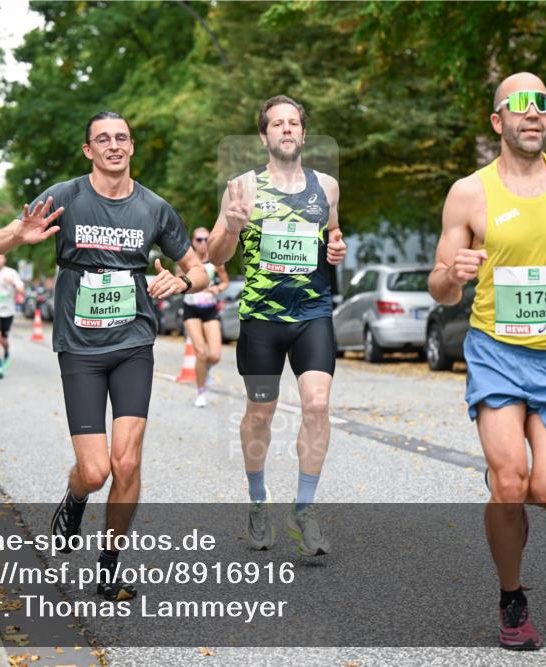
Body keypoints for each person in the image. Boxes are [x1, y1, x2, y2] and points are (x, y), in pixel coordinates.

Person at [427, 72, 546, 650]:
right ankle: (513, 599)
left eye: (543, 105)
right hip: (495, 355)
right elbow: (440, 285)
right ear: (498, 121)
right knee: (511, 484)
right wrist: (450, 277)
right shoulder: (469, 193)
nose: (533, 114)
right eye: (520, 105)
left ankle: (504, 482)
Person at [0, 111, 209, 601]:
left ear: (131, 147)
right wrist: (18, 236)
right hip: (80, 350)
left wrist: (185, 279)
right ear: (88, 150)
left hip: (133, 345)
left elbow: (200, 269)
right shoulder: (64, 197)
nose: (113, 145)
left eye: (122, 138)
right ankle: (76, 495)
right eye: (103, 139)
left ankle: (108, 567)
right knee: (96, 470)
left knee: (127, 463)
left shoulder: (154, 208)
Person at [208, 95, 347, 556]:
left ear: (303, 134)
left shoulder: (325, 187)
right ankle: (257, 500)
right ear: (265, 135)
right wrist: (229, 227)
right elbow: (215, 256)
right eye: (277, 124)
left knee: (317, 405)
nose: (286, 130)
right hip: (262, 321)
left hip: (312, 314)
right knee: (261, 414)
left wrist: (336, 251)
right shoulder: (241, 186)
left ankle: (304, 510)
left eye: (294, 124)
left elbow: (332, 239)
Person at [180, 226, 230, 407]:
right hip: (191, 310)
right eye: (198, 240)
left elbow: (225, 282)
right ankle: (201, 392)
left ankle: (206, 369)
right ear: (193, 242)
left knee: (215, 355)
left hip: (209, 309)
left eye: (205, 239)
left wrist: (217, 288)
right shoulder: (185, 261)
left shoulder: (216, 261)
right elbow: (179, 282)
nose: (202, 243)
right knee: (201, 352)